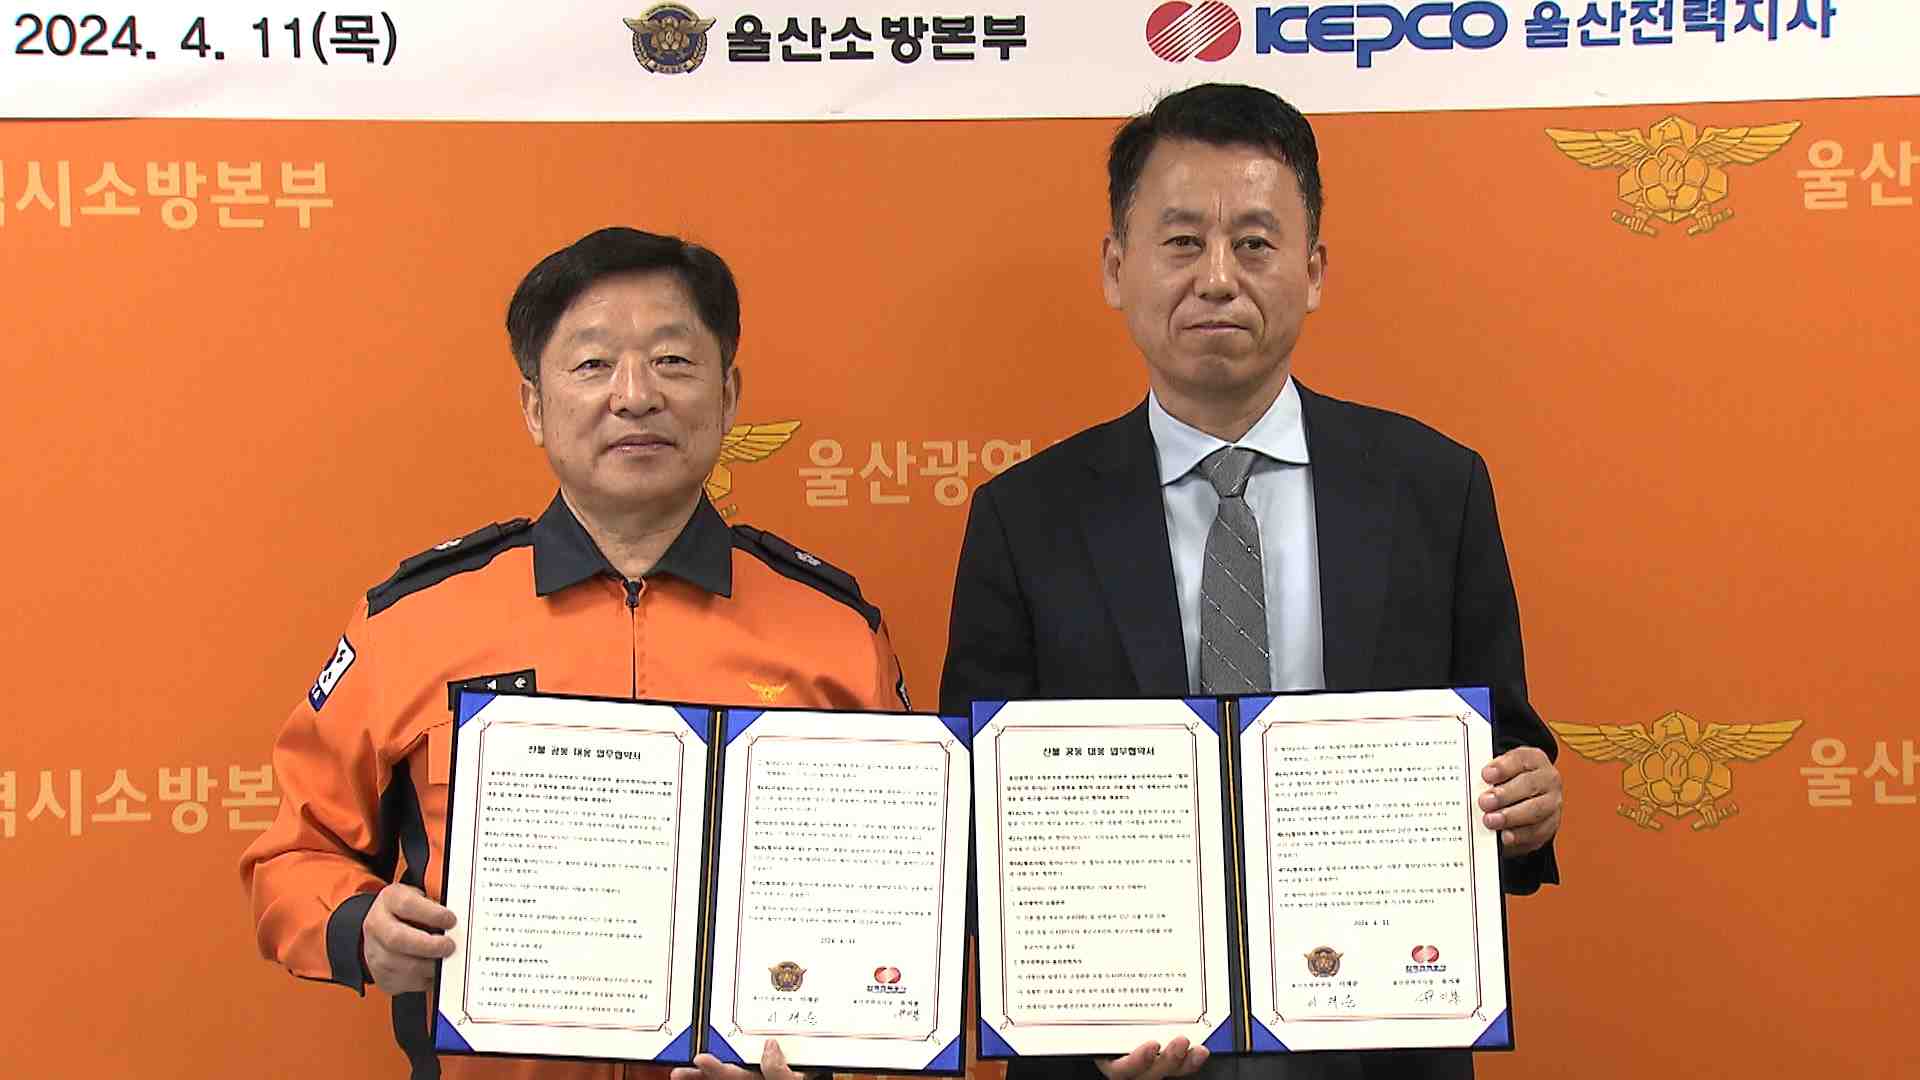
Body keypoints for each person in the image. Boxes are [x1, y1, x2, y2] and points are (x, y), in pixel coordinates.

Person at [939, 84, 1564, 1080]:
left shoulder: (1433, 488)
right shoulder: (1027, 517)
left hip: (1374, 1037)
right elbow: (981, 809)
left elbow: (1504, 747)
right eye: (1182, 242)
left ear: (1313, 272)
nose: (1219, 279)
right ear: (1116, 268)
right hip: (1116, 1047)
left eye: (1256, 244)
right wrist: (1077, 1013)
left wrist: (1526, 802)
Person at [241, 226, 906, 1080]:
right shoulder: (413, 621)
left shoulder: (835, 630)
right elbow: (292, 856)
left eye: (672, 361)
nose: (635, 396)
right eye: (593, 365)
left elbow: (901, 901)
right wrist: (358, 928)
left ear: (729, 395)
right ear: (534, 406)